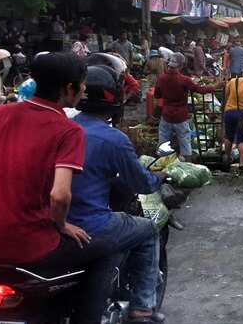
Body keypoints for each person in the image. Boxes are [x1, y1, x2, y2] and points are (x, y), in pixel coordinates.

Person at [0, 52, 117, 322]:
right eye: (82, 83)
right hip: (31, 245)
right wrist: (61, 225)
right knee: (104, 251)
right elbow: (60, 195)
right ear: (69, 89)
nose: (84, 89)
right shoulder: (67, 130)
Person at [70, 63, 166, 322]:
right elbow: (142, 184)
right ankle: (143, 307)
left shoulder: (63, 128)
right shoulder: (113, 139)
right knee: (148, 229)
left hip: (56, 221)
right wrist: (159, 177)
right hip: (91, 222)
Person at [154, 53, 223, 162]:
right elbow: (200, 89)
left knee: (163, 142)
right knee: (185, 142)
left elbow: (157, 95)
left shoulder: (161, 78)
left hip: (166, 115)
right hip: (180, 116)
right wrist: (215, 86)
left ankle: (161, 166)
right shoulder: (184, 79)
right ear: (181, 66)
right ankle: (187, 165)